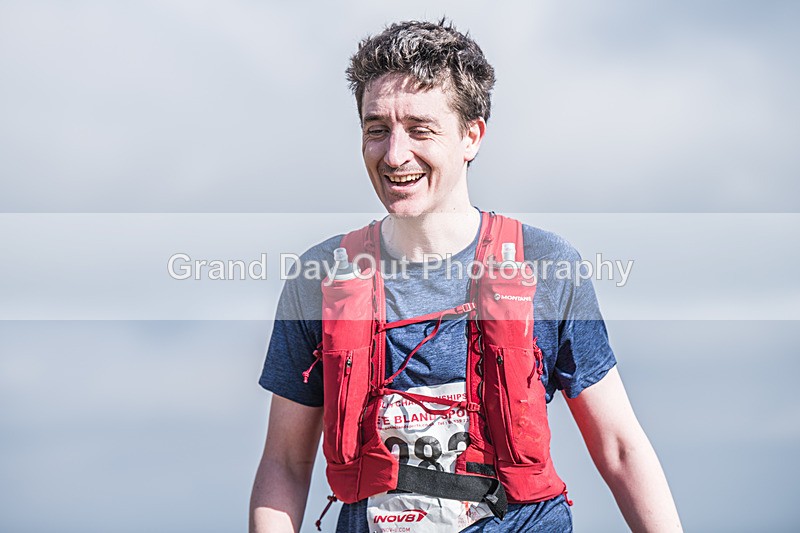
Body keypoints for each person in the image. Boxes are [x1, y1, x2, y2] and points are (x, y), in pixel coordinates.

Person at [250, 19, 682, 533]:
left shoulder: (546, 265)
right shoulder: (319, 278)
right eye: (376, 129)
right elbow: (286, 463)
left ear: (471, 135)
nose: (395, 155)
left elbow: (619, 448)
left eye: (420, 129)